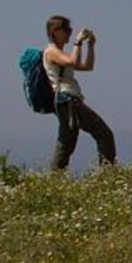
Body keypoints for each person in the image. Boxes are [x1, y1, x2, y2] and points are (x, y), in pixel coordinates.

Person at [42, 15, 116, 171]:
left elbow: (87, 66)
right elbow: (72, 62)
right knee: (104, 134)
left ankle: (55, 178)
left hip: (67, 101)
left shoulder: (60, 52)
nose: (69, 33)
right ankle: (107, 174)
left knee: (66, 143)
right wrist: (77, 42)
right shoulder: (51, 51)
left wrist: (90, 46)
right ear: (55, 31)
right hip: (67, 99)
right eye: (66, 30)